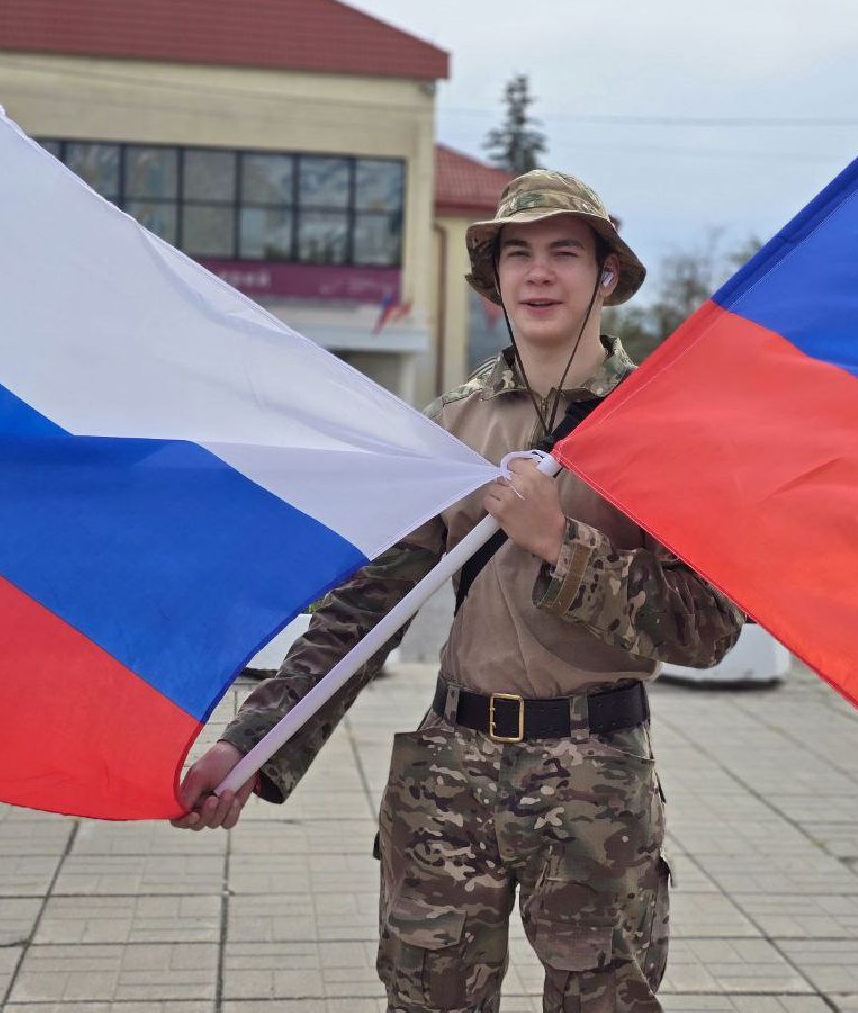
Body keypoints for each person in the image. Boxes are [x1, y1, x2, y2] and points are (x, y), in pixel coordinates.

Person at [172, 170, 745, 1012]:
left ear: (607, 276)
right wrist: (253, 746)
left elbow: (707, 629)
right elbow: (362, 613)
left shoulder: (660, 434)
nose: (539, 274)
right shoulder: (447, 428)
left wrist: (561, 544)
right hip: (449, 771)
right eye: (519, 256)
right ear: (495, 284)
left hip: (595, 782)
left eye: (564, 254)